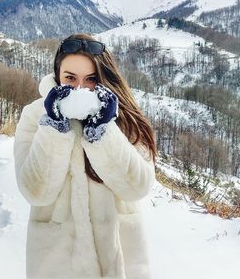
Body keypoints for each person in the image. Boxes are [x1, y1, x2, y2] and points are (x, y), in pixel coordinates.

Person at [14, 33, 157, 279]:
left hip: (119, 260)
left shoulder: (123, 115)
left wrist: (103, 132)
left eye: (91, 79)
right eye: (70, 78)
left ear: (103, 78)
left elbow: (138, 187)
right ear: (57, 74)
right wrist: (54, 129)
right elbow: (35, 191)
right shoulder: (35, 116)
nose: (79, 88)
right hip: (58, 262)